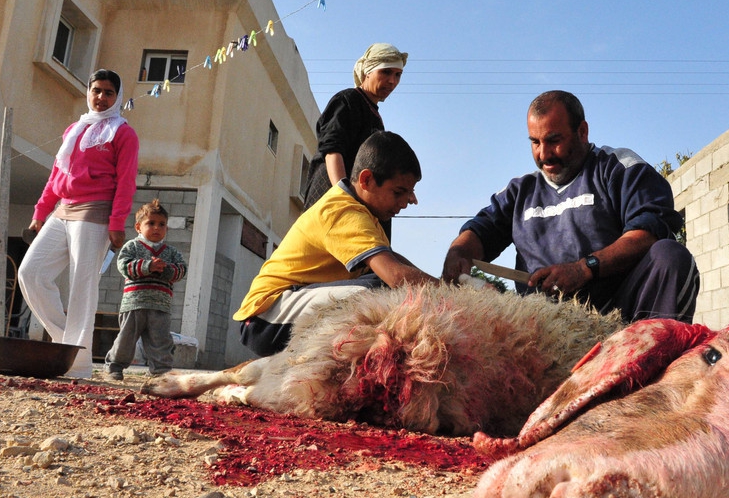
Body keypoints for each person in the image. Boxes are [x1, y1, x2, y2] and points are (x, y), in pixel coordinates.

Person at [442, 90, 700, 323]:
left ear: (582, 132)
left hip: (619, 314)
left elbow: (649, 229)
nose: (543, 154)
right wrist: (459, 252)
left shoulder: (619, 168)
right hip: (543, 324)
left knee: (670, 255)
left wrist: (584, 269)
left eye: (554, 140)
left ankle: (650, 359)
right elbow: (481, 229)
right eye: (535, 142)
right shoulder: (520, 190)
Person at [235, 130, 438, 357]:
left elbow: (395, 262)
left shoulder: (367, 216)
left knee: (386, 287)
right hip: (265, 318)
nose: (408, 201)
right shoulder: (341, 211)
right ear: (367, 179)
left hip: (288, 308)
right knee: (385, 292)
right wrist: (458, 295)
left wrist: (447, 285)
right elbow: (396, 276)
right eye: (400, 191)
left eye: (411, 193)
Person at [18, 69, 139, 378]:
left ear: (117, 97)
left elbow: (126, 182)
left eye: (108, 93)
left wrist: (116, 223)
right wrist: (39, 213)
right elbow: (56, 175)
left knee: (82, 286)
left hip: (95, 212)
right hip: (62, 209)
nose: (101, 97)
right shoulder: (75, 128)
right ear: (88, 92)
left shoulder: (123, 133)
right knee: (30, 273)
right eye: (96, 90)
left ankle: (78, 365)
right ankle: (64, 342)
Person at [301, 43, 413, 238]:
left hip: (360, 209)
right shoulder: (347, 100)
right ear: (367, 72)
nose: (392, 81)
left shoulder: (375, 116)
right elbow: (332, 149)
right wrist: (343, 197)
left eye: (398, 75)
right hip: (334, 200)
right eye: (386, 72)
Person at [103, 199, 188, 380]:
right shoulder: (132, 246)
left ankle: (161, 371)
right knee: (126, 339)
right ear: (138, 227)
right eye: (151, 223)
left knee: (161, 341)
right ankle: (114, 367)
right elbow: (123, 265)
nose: (157, 228)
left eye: (162, 224)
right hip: (134, 303)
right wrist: (147, 266)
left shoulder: (171, 252)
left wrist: (166, 270)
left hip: (160, 306)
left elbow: (181, 270)